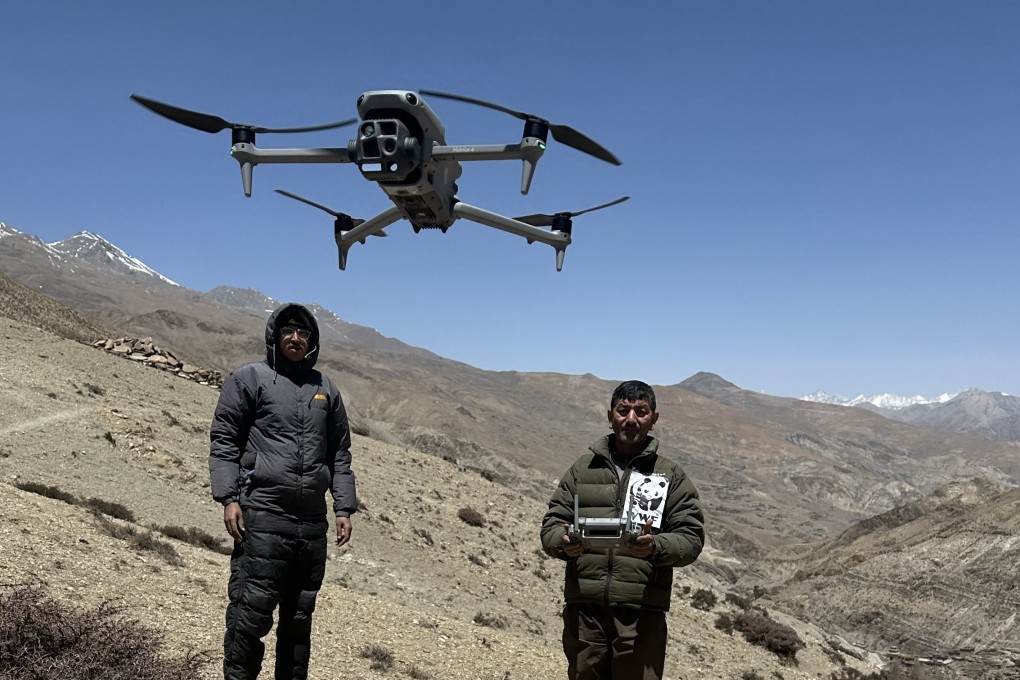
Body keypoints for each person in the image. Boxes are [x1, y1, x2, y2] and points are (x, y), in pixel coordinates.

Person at [209, 302, 357, 680]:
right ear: (275, 335)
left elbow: (339, 453)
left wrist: (343, 508)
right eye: (288, 331)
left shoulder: (326, 388)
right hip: (262, 517)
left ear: (312, 340)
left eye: (303, 332)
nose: (295, 337)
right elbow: (225, 441)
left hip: (310, 526)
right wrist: (228, 499)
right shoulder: (250, 378)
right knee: (249, 618)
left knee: (298, 623)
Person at [540, 380, 705, 680]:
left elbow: (691, 538)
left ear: (654, 419)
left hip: (640, 616)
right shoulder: (582, 469)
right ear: (610, 416)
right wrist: (564, 543)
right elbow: (552, 523)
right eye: (623, 410)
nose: (631, 419)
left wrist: (655, 546)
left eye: (641, 411)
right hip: (585, 612)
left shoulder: (670, 475)